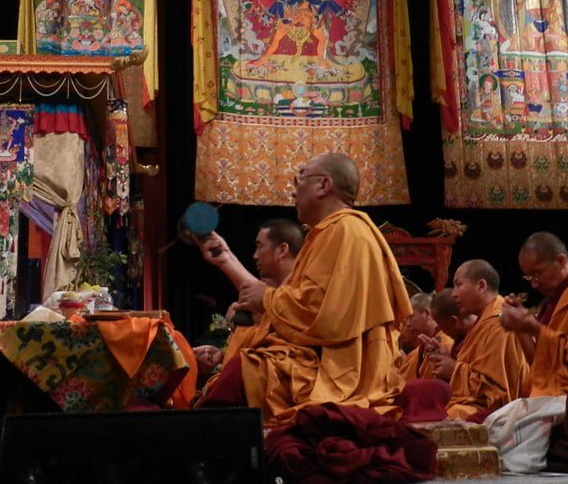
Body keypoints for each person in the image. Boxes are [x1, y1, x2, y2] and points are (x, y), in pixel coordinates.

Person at [194, 152, 412, 425]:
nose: (293, 189)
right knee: (244, 367)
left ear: (324, 185)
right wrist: (228, 261)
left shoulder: (345, 231)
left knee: (247, 371)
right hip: (324, 355)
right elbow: (303, 305)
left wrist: (268, 300)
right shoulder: (328, 232)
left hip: (340, 367)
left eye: (300, 178)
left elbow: (321, 314)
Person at [500, 232, 568, 398]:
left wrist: (535, 328)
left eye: (538, 273)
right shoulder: (549, 302)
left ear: (561, 261)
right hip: (547, 394)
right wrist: (521, 329)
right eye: (529, 277)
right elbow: (540, 364)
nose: (534, 284)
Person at [193, 219, 304, 378]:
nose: (255, 255)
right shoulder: (272, 292)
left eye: (260, 246)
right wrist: (223, 355)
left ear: (282, 250)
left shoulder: (303, 289)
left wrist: (226, 258)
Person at [423, 260, 529, 421]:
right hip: (469, 404)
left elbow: (498, 393)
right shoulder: (482, 323)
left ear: (481, 286)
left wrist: (454, 370)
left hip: (495, 413)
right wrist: (449, 359)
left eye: (459, 285)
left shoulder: (501, 323)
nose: (454, 294)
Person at [399, 292, 454, 381]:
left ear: (426, 313)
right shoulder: (416, 353)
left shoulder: (446, 343)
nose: (407, 324)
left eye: (410, 317)